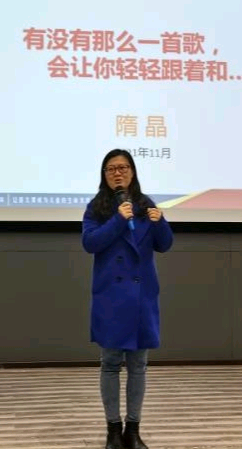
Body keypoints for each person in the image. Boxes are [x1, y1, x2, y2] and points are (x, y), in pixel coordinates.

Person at [82, 149, 174, 449]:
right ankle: (113, 430)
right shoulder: (96, 208)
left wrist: (161, 223)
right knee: (110, 364)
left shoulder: (147, 205)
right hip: (111, 297)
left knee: (138, 365)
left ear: (132, 172)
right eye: (111, 169)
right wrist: (118, 220)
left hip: (141, 296)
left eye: (122, 167)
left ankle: (133, 430)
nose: (117, 173)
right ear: (104, 175)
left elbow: (165, 245)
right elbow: (90, 243)